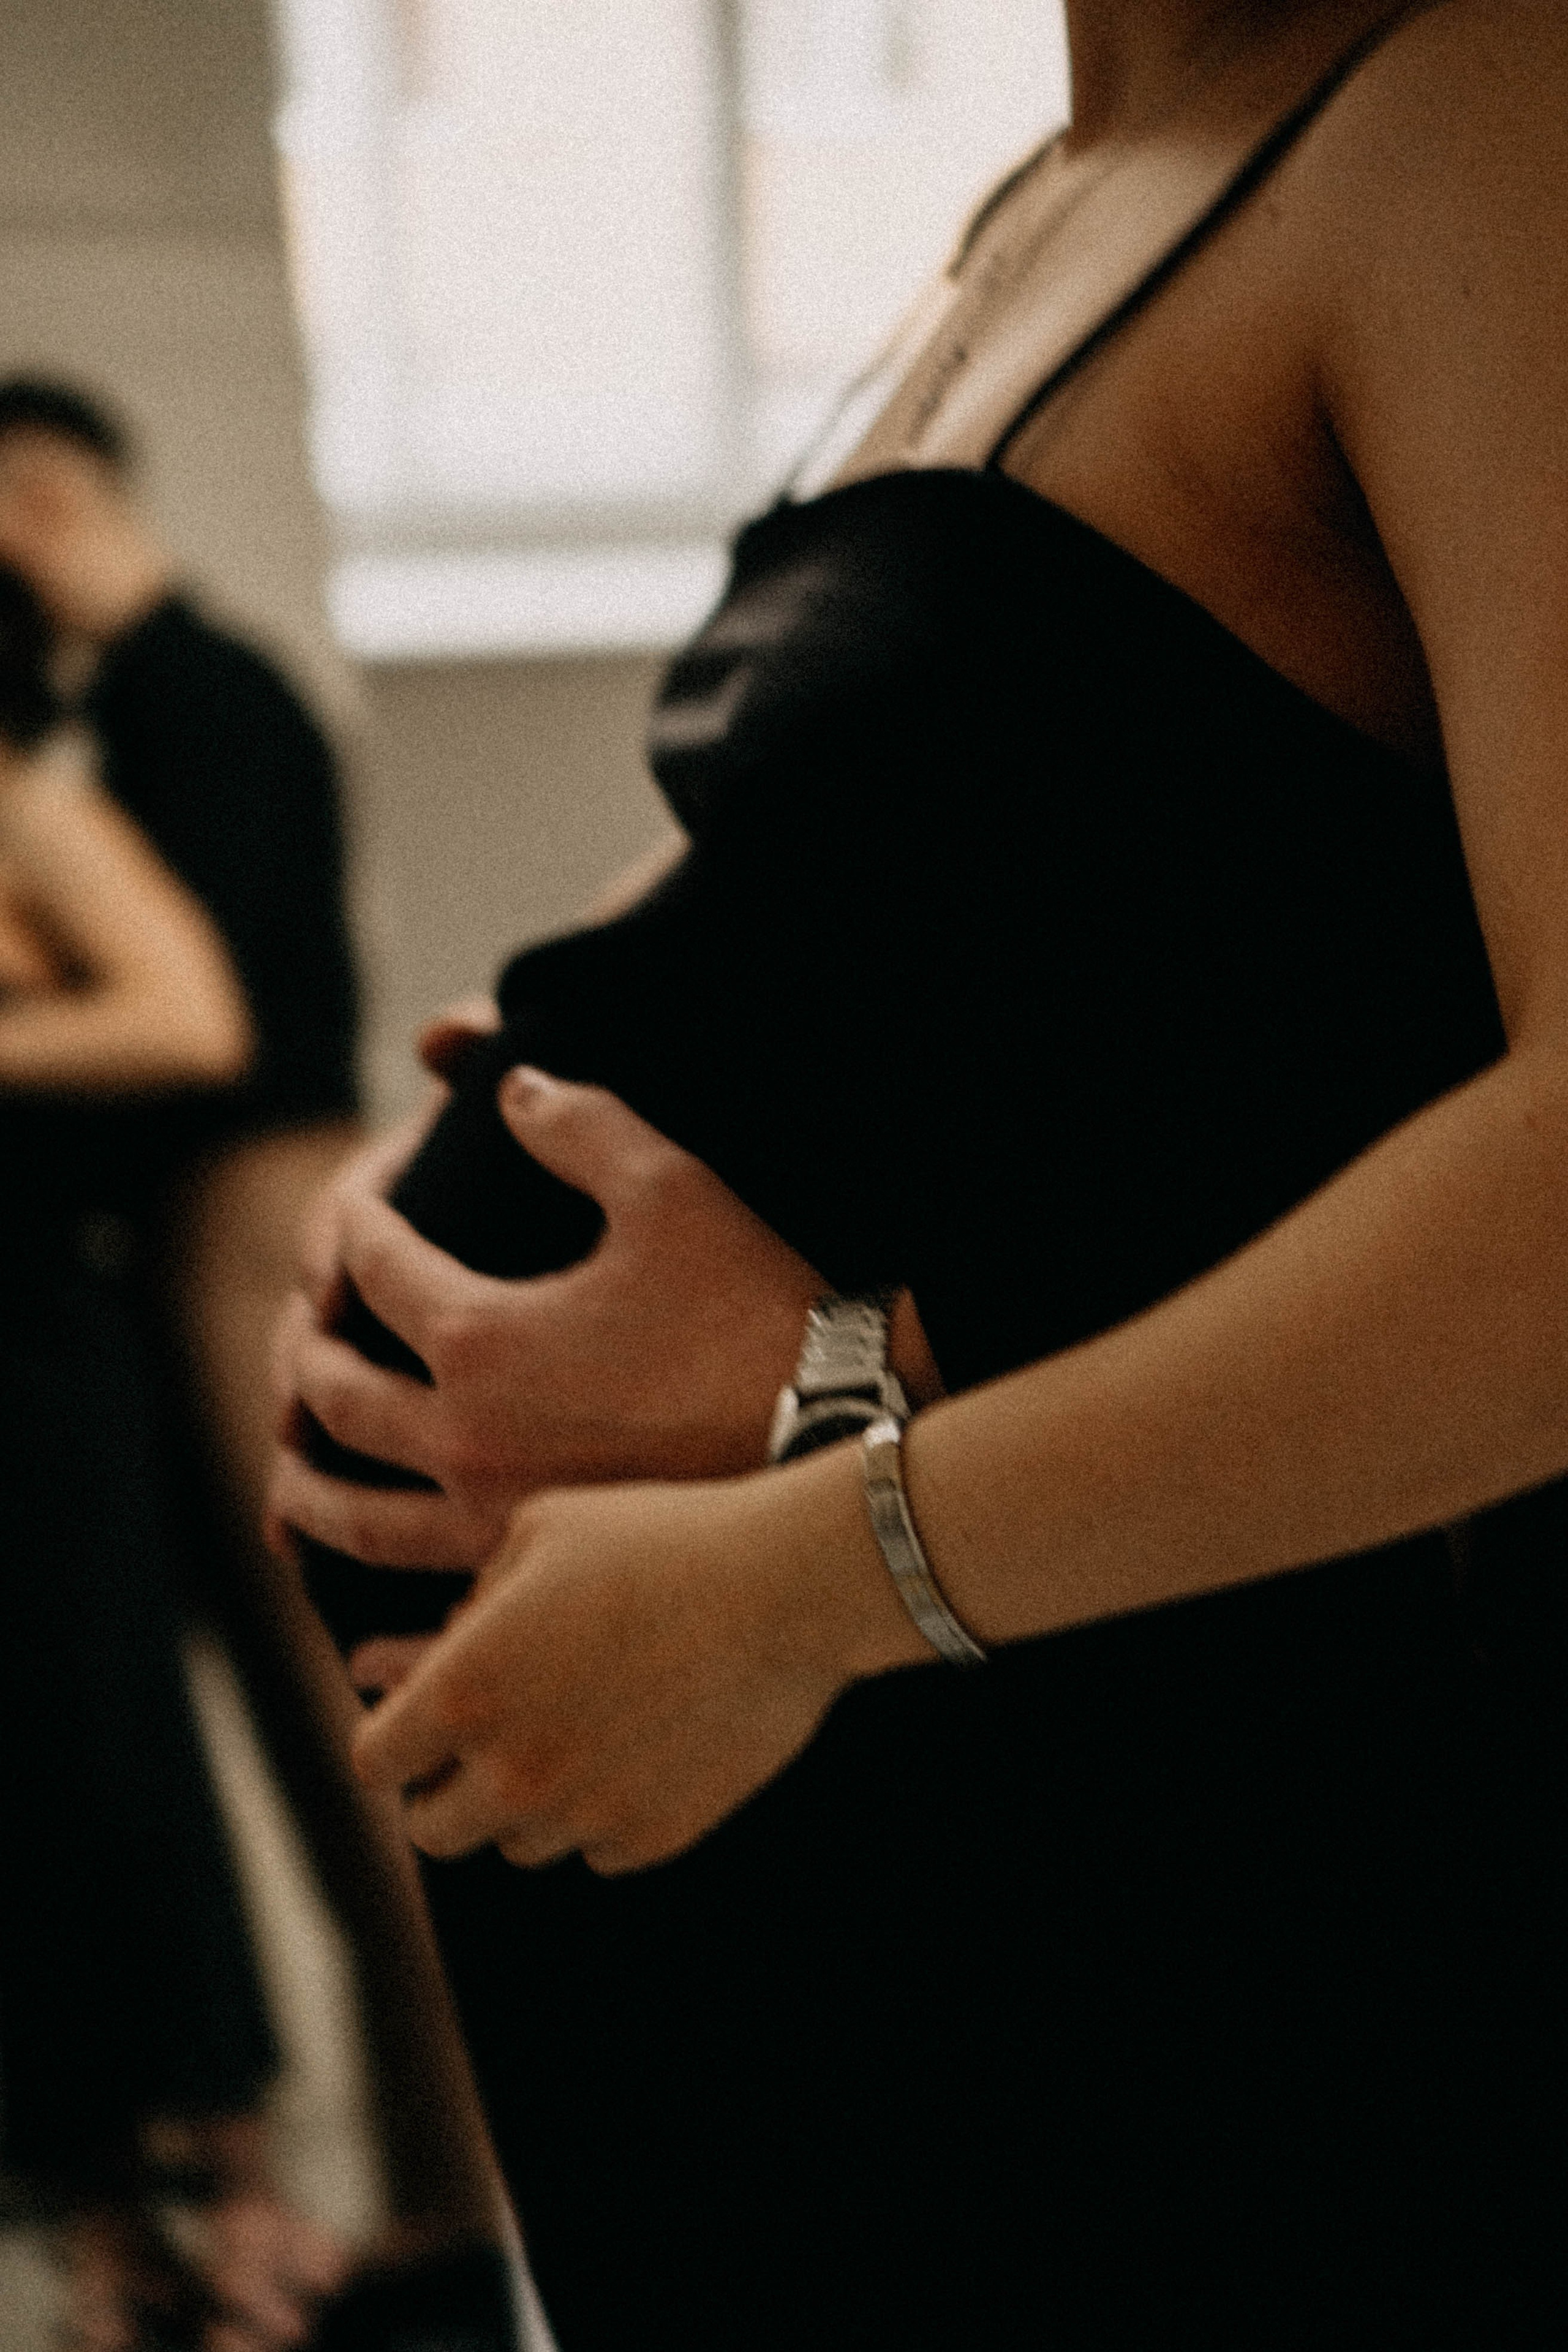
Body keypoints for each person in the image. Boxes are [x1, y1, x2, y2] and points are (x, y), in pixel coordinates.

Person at [272, 1, 1568, 2342]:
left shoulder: (1482, 105)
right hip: (806, 1828)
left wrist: (816, 1539)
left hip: (1105, 1823)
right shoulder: (1054, 189)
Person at [0, 391, 511, 2351]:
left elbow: (210, 1023)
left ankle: (464, 2219)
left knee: (356, 1727)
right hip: (217, 1226)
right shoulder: (161, 699)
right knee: (329, 1751)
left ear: (37, 496)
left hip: (250, 1215)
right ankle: (434, 2211)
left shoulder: (193, 696)